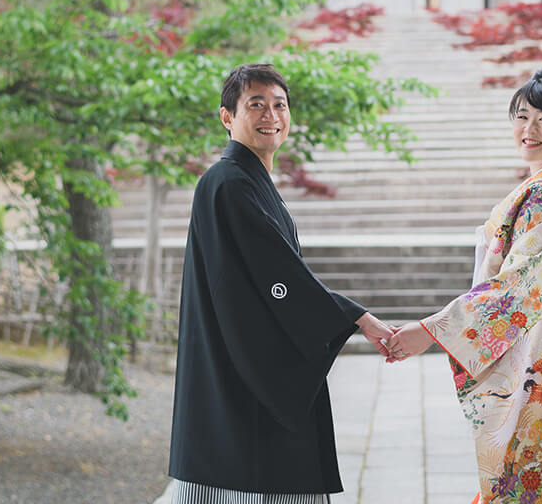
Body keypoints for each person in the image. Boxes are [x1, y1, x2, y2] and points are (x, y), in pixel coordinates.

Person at [386, 66, 542, 504]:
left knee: (540, 479)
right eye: (523, 116)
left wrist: (430, 331)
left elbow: (522, 288)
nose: (530, 129)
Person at [167, 63, 394, 503]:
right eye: (256, 105)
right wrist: (356, 317)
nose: (271, 114)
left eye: (279, 105)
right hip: (240, 372)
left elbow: (275, 275)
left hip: (239, 362)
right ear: (227, 117)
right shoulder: (229, 183)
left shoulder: (244, 180)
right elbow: (279, 279)